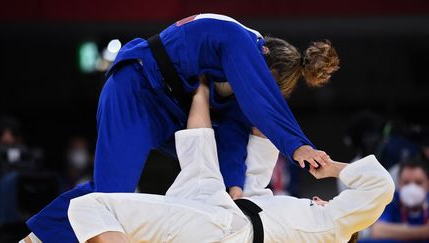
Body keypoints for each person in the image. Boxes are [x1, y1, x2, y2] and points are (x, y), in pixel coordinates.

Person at [23, 13, 340, 242]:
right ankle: (38, 238)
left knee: (202, 180)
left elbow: (232, 137)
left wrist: (234, 190)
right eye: (264, 83)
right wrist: (298, 144)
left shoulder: (244, 89)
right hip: (136, 90)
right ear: (265, 56)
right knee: (112, 196)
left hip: (172, 113)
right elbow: (261, 100)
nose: (255, 89)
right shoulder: (236, 38)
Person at [66, 81, 393, 243]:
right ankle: (202, 86)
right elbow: (214, 152)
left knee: (91, 207)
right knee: (201, 167)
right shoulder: (272, 207)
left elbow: (380, 186)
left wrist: (332, 168)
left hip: (226, 232)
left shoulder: (334, 228)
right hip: (220, 220)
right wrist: (206, 85)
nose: (320, 200)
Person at [372, 158, 429, 243]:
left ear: (428, 183)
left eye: (418, 182)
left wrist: (397, 231)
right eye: (406, 183)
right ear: (399, 183)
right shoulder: (390, 199)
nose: (412, 188)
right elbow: (377, 231)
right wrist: (423, 231)